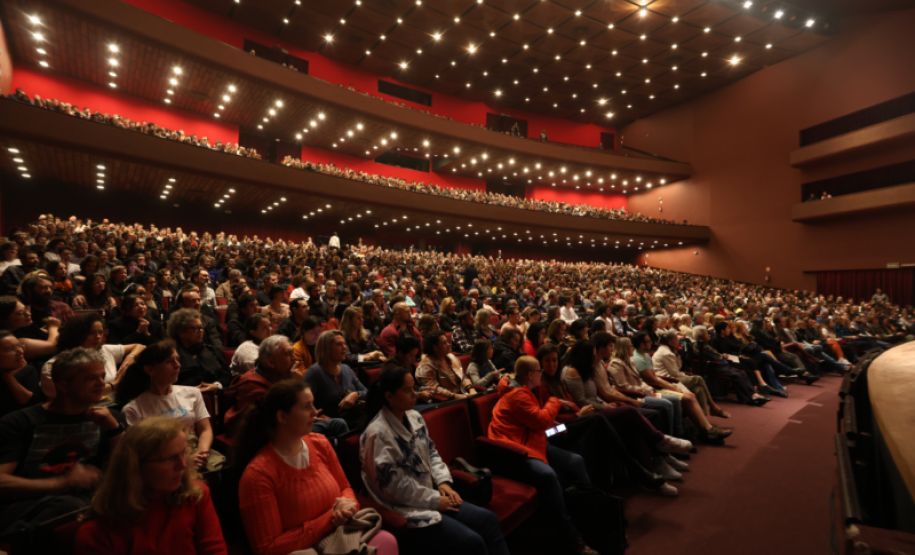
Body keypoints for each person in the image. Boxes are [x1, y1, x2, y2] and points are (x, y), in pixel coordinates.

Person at [236, 380, 397, 555]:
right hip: (301, 549)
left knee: (387, 541)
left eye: (313, 404)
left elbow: (344, 487)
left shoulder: (320, 443)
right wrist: (330, 519)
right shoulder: (258, 475)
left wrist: (348, 505)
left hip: (339, 534)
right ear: (282, 417)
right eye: (306, 407)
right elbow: (268, 548)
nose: (315, 412)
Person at [361, 366, 505, 555]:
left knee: (488, 521)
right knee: (472, 542)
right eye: (407, 390)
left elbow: (431, 453)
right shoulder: (378, 434)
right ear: (390, 396)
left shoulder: (414, 417)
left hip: (430, 494)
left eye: (413, 389)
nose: (414, 395)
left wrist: (443, 482)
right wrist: (435, 500)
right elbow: (394, 488)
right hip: (404, 508)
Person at [0, 348, 125, 537]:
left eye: (102, 376)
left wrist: (115, 430)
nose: (102, 383)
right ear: (63, 386)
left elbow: (124, 470)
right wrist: (62, 483)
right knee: (70, 506)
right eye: (91, 378)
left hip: (87, 502)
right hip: (29, 508)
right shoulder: (19, 422)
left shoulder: (109, 418)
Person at [488, 356, 597, 555]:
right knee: (548, 475)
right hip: (515, 450)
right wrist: (555, 401)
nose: (542, 374)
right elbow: (541, 420)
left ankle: (591, 516)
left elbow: (538, 423)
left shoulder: (528, 390)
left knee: (576, 460)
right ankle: (568, 533)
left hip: (533, 441)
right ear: (530, 374)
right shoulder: (516, 395)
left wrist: (557, 426)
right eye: (539, 371)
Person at [74, 417, 228, 555]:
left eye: (183, 453)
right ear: (134, 467)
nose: (183, 464)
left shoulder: (195, 494)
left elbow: (214, 549)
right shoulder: (95, 535)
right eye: (168, 459)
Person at [533, 344, 673, 495]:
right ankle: (642, 466)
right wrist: (578, 415)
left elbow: (572, 404)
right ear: (540, 363)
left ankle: (647, 472)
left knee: (628, 426)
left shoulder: (557, 380)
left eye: (554, 360)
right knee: (600, 418)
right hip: (556, 431)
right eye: (547, 361)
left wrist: (581, 412)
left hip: (574, 421)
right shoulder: (541, 385)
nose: (552, 364)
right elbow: (550, 419)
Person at [116, 340, 221, 472]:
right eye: (169, 361)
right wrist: (185, 460)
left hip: (196, 454)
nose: (178, 365)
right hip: (162, 465)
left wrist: (202, 453)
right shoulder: (134, 409)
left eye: (177, 360)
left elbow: (205, 429)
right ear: (150, 370)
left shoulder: (192, 393)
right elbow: (140, 453)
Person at [225, 336, 347, 437]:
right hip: (268, 436)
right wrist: (293, 387)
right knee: (338, 425)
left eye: (293, 353)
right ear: (270, 362)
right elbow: (276, 422)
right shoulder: (252, 386)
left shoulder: (277, 376)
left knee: (335, 425)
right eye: (288, 354)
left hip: (287, 426)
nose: (294, 358)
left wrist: (313, 418)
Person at [629, 332, 732, 444]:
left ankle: (706, 428)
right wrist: (672, 387)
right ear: (642, 344)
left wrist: (671, 385)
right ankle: (707, 429)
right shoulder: (639, 359)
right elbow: (653, 380)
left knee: (696, 391)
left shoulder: (646, 355)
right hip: (652, 388)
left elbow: (656, 376)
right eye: (649, 341)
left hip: (659, 383)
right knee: (690, 395)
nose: (652, 342)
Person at [40, 312, 144, 399]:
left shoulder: (104, 349)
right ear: (76, 335)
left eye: (101, 332)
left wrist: (130, 358)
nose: (98, 337)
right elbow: (73, 395)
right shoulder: (53, 366)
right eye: (92, 332)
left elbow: (140, 346)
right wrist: (115, 384)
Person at [652, 331, 730, 418]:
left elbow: (677, 368)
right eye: (677, 339)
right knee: (699, 378)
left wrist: (677, 354)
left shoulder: (667, 350)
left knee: (699, 389)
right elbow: (675, 372)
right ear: (670, 342)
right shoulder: (667, 353)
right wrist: (686, 376)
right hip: (668, 379)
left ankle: (703, 417)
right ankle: (713, 407)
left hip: (673, 376)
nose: (679, 341)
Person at [303, 331, 367, 431]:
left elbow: (366, 392)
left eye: (344, 344)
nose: (344, 347)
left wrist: (356, 395)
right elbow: (303, 405)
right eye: (339, 344)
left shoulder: (346, 369)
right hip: (332, 427)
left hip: (355, 421)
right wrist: (317, 418)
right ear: (326, 348)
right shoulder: (314, 372)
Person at [692, 326, 768, 406]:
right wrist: (723, 356)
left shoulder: (705, 344)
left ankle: (752, 394)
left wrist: (723, 356)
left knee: (742, 373)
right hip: (715, 367)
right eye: (707, 334)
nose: (709, 335)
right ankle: (747, 398)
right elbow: (717, 356)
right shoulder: (700, 346)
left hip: (722, 365)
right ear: (700, 337)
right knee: (737, 375)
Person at [168, 309, 231, 390]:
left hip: (214, 393)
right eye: (195, 328)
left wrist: (216, 385)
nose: (201, 331)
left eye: (201, 327)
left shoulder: (212, 350)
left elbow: (226, 374)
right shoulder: (169, 356)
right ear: (181, 333)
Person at [416, 330, 477, 400]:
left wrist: (471, 389)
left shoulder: (451, 357)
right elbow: (434, 388)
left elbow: (462, 376)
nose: (448, 344)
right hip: (447, 401)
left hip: (463, 394)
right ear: (435, 347)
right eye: (444, 343)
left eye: (447, 341)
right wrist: (454, 396)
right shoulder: (426, 364)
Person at [0, 296, 59, 362]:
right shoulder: (16, 341)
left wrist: (49, 328)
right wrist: (54, 327)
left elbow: (40, 333)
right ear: (4, 320)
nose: (28, 313)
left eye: (26, 309)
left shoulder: (23, 325)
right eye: (21, 313)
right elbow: (53, 346)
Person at [0, 331, 43, 419]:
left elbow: (32, 405)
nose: (21, 351)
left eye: (19, 346)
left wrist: (10, 379)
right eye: (11, 349)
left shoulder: (28, 371)